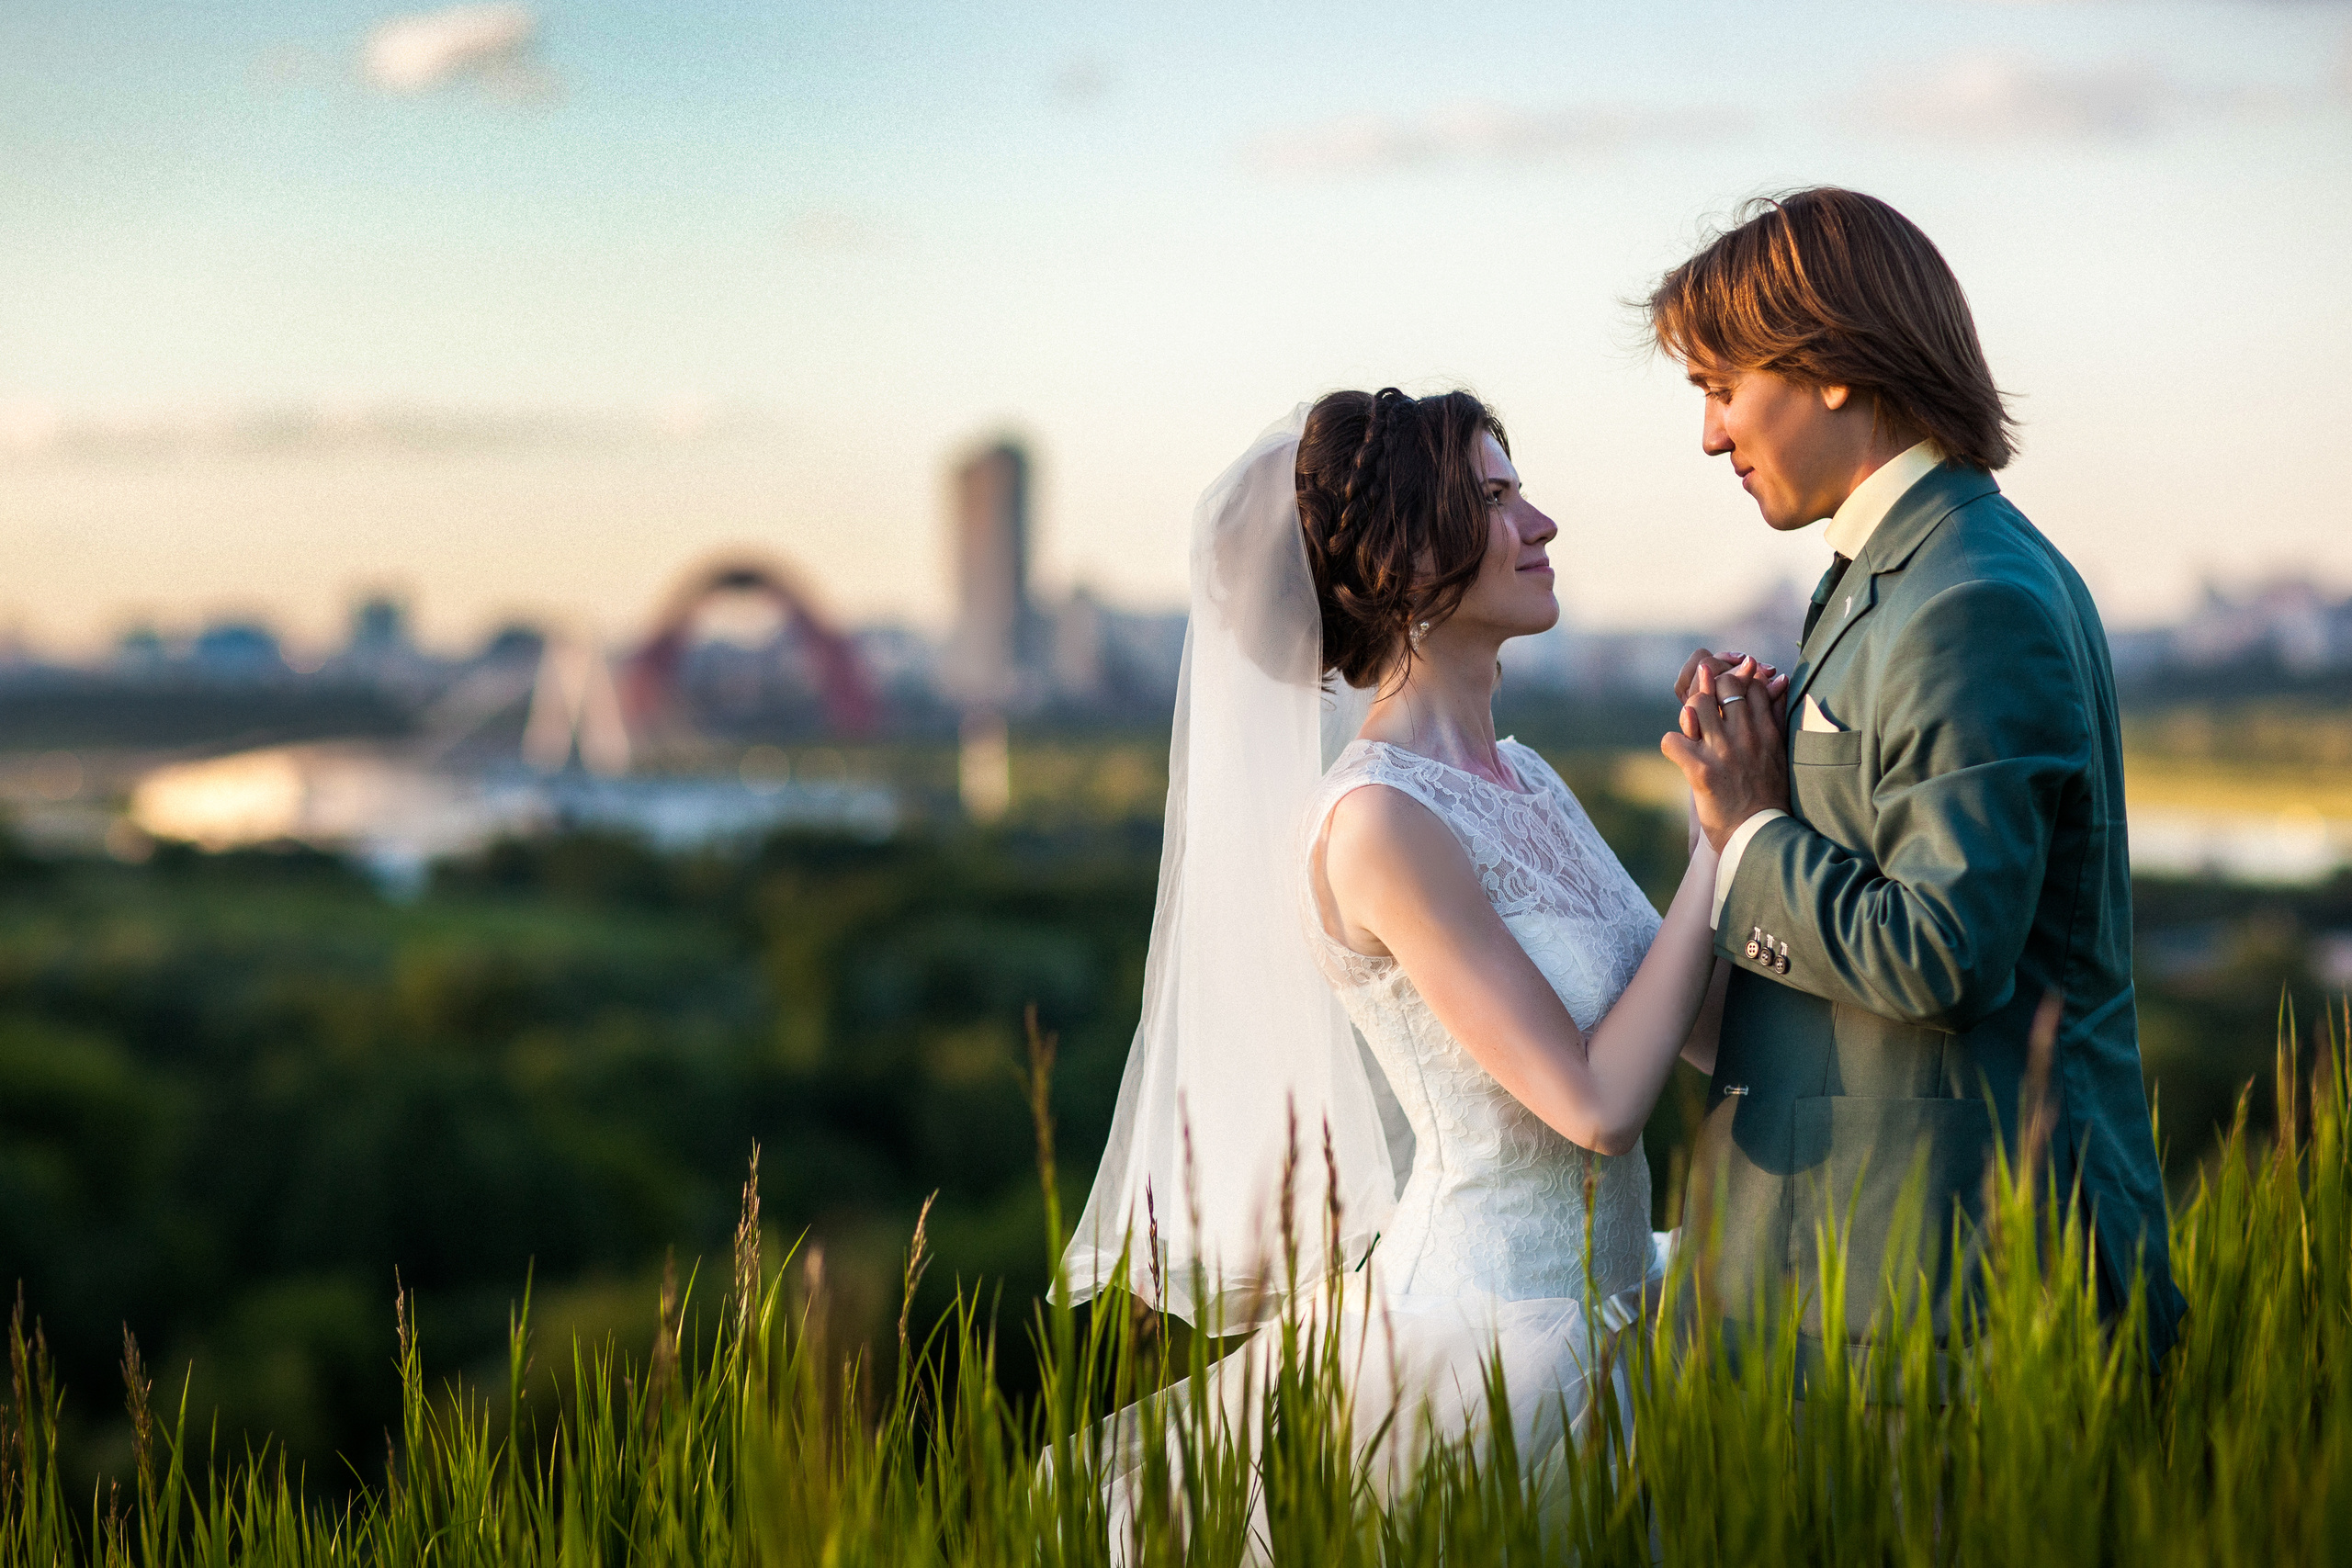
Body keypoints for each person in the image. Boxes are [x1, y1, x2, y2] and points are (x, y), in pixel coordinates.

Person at [1060, 388, 1786, 1551]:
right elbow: (1596, 1105)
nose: (1540, 523)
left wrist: (1758, 821)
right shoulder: (1374, 825)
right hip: (1489, 1346)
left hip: (1628, 1311)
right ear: (1402, 561)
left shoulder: (1529, 778)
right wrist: (1718, 833)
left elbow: (1698, 1029)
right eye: (1493, 500)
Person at [1646, 187, 2186, 1371]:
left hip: (1945, 1303)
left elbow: (1941, 952)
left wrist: (1746, 831)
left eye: (1721, 388)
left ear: (1830, 364)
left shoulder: (1972, 595)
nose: (1709, 436)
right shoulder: (1895, 570)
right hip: (1861, 1284)